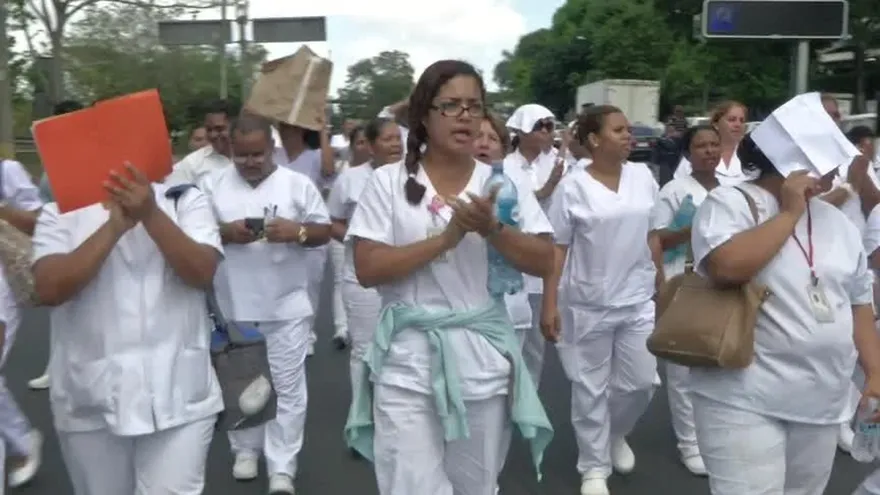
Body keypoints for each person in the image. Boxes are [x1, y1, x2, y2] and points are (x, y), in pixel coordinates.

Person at [343, 59, 554, 495]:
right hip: (405, 363)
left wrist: (492, 228)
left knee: (476, 486)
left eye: (474, 106)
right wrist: (446, 239)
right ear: (423, 115)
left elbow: (545, 260)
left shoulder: (502, 184)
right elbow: (367, 268)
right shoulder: (388, 182)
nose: (465, 116)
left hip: (482, 363)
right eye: (451, 105)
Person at [688, 106, 880, 495]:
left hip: (821, 400)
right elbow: (726, 267)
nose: (834, 171)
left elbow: (859, 302)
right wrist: (790, 212)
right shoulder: (730, 204)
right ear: (795, 160)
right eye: (825, 161)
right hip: (742, 396)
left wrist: (875, 372)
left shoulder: (836, 222)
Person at [31, 163, 223, 494]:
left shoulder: (184, 201)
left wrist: (150, 214)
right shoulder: (58, 212)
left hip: (179, 393)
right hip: (90, 399)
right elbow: (49, 289)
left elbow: (202, 272)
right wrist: (114, 228)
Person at [201, 114, 330, 494]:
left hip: (287, 306)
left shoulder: (296, 184)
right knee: (241, 384)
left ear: (271, 149)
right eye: (242, 156)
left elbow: (324, 232)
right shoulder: (210, 185)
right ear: (231, 150)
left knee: (288, 388)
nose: (251, 162)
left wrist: (297, 231)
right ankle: (245, 450)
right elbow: (190, 236)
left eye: (257, 154)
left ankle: (282, 467)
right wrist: (224, 233)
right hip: (233, 304)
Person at [542, 105, 662, 495]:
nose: (629, 135)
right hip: (587, 301)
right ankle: (593, 466)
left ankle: (615, 433)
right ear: (594, 140)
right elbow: (558, 248)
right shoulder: (572, 187)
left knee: (641, 383)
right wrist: (549, 302)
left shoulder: (643, 177)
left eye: (629, 129)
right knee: (590, 386)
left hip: (638, 298)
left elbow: (653, 235)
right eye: (619, 129)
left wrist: (661, 283)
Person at [649, 124, 722, 476]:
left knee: (719, 362)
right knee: (682, 368)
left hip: (724, 283)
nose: (708, 150)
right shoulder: (674, 190)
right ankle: (689, 443)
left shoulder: (734, 190)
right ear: (688, 153)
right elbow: (658, 239)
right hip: (684, 279)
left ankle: (716, 437)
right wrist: (689, 227)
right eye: (701, 145)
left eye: (713, 144)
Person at [326, 117, 401, 453]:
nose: (395, 144)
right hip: (362, 275)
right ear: (370, 146)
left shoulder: (416, 176)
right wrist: (362, 242)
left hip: (406, 273)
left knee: (402, 347)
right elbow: (334, 222)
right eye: (387, 139)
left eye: (398, 138)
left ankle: (396, 418)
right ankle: (361, 421)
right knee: (365, 348)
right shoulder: (351, 180)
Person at [503, 103, 565, 388]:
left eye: (550, 126)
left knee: (536, 346)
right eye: (539, 126)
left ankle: (528, 404)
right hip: (515, 258)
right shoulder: (506, 165)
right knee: (509, 336)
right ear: (523, 130)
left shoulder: (559, 161)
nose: (546, 132)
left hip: (547, 258)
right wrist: (548, 186)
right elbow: (522, 205)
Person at [29, 100, 85, 391]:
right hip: (59, 236)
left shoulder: (95, 154)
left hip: (93, 233)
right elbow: (42, 202)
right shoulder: (52, 160)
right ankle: (56, 367)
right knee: (61, 309)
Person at [274, 122, 336, 355]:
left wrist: (321, 128)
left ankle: (306, 334)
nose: (284, 130)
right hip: (277, 233)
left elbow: (329, 171)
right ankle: (282, 333)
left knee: (309, 287)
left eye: (290, 127)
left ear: (301, 129)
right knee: (279, 286)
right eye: (282, 127)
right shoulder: (274, 155)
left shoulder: (316, 156)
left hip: (310, 232)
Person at [674, 100, 753, 186]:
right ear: (716, 124)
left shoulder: (751, 155)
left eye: (742, 121)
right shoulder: (696, 154)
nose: (738, 124)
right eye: (732, 120)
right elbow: (678, 187)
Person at [166, 100, 234, 186]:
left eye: (219, 129)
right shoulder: (193, 163)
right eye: (209, 130)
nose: (213, 135)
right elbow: (169, 190)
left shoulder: (251, 160)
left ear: (235, 126)